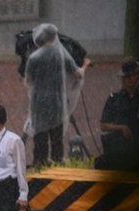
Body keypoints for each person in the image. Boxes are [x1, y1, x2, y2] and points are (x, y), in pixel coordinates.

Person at [24, 23, 88, 166]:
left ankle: (39, 164)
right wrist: (85, 65)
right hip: (57, 102)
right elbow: (77, 74)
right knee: (56, 138)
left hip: (39, 104)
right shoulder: (61, 55)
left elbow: (28, 80)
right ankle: (56, 164)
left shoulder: (34, 58)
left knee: (40, 137)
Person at [97, 58, 139, 171]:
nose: (131, 79)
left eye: (134, 75)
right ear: (123, 78)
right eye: (127, 76)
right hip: (120, 149)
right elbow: (103, 125)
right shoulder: (114, 99)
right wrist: (122, 128)